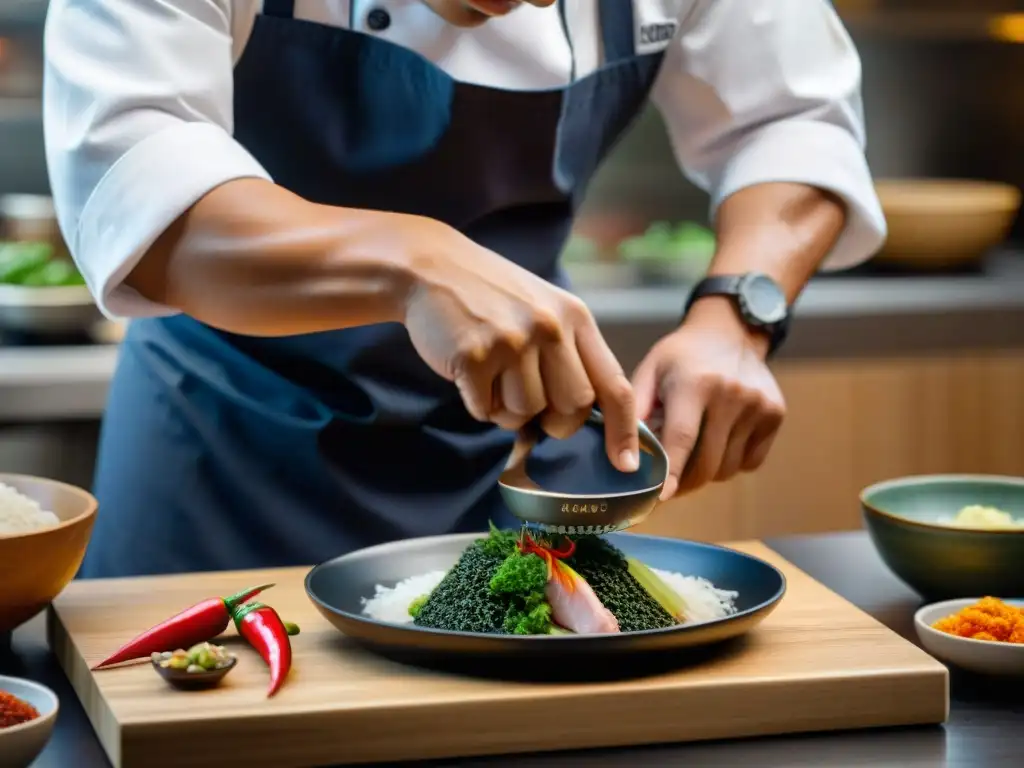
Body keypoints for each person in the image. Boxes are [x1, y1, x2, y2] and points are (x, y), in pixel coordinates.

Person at [43, 0, 886, 578]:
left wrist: (735, 316)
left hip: (519, 466)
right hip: (224, 474)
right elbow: (140, 192)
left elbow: (791, 119)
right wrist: (414, 260)